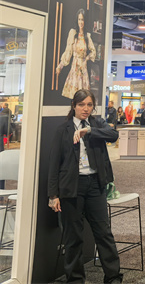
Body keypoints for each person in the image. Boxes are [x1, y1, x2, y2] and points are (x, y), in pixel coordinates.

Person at [47, 89, 121, 284]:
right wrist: (53, 195)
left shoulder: (97, 124)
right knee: (73, 237)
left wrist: (88, 130)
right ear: (74, 106)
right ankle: (75, 279)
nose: (85, 109)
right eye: (81, 105)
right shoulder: (63, 130)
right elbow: (54, 164)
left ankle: (113, 277)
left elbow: (113, 135)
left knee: (103, 233)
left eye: (89, 105)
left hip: (95, 185)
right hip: (72, 187)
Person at [56, 8, 97, 99]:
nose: (81, 22)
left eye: (82, 20)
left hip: (83, 68)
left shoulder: (87, 36)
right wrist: (60, 66)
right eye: (79, 19)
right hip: (75, 68)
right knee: (74, 96)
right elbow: (68, 51)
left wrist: (86, 59)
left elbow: (93, 51)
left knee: (83, 96)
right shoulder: (72, 33)